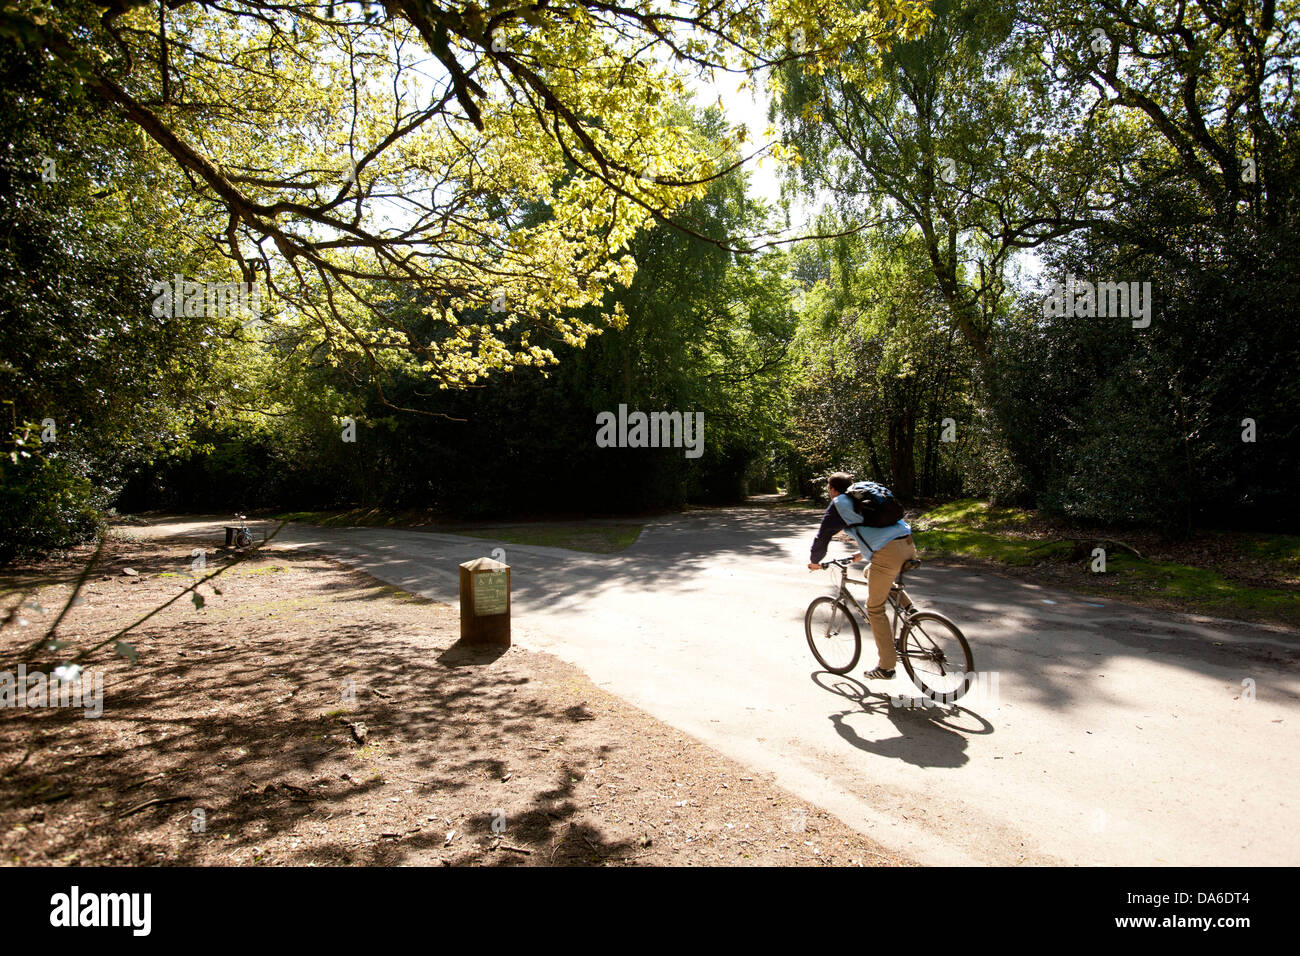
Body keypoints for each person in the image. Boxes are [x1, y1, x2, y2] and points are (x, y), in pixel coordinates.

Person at [807, 472, 917, 680]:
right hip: (908, 544)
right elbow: (878, 528)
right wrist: (860, 555)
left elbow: (822, 537)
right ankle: (910, 609)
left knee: (874, 609)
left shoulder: (839, 504)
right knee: (869, 571)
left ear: (832, 489)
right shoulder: (864, 495)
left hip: (888, 553)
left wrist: (815, 561)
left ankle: (886, 667)